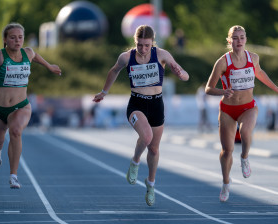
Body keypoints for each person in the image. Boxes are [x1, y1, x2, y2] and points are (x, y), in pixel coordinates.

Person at [92, 25, 189, 206]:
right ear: (134, 42)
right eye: (139, 45)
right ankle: (135, 162)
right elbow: (113, 71)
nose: (143, 50)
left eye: (146, 45)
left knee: (153, 149)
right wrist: (104, 92)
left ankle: (150, 184)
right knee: (146, 136)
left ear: (152, 43)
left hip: (156, 105)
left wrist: (180, 73)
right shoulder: (126, 57)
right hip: (137, 104)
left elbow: (185, 76)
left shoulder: (162, 55)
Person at [0, 23, 61, 189]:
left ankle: (13, 175)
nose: (17, 41)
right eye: (13, 37)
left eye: (20, 37)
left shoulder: (27, 53)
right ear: (5, 40)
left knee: (16, 131)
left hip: (21, 106)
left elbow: (36, 56)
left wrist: (50, 66)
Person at [205, 25, 278, 202]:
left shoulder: (253, 58)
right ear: (229, 41)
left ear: (246, 39)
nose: (239, 41)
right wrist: (223, 92)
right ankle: (226, 183)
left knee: (245, 133)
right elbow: (208, 88)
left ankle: (244, 157)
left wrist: (276, 88)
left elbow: (260, 73)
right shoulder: (223, 62)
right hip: (228, 110)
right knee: (227, 150)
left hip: (248, 107)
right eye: (235, 38)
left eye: (242, 37)